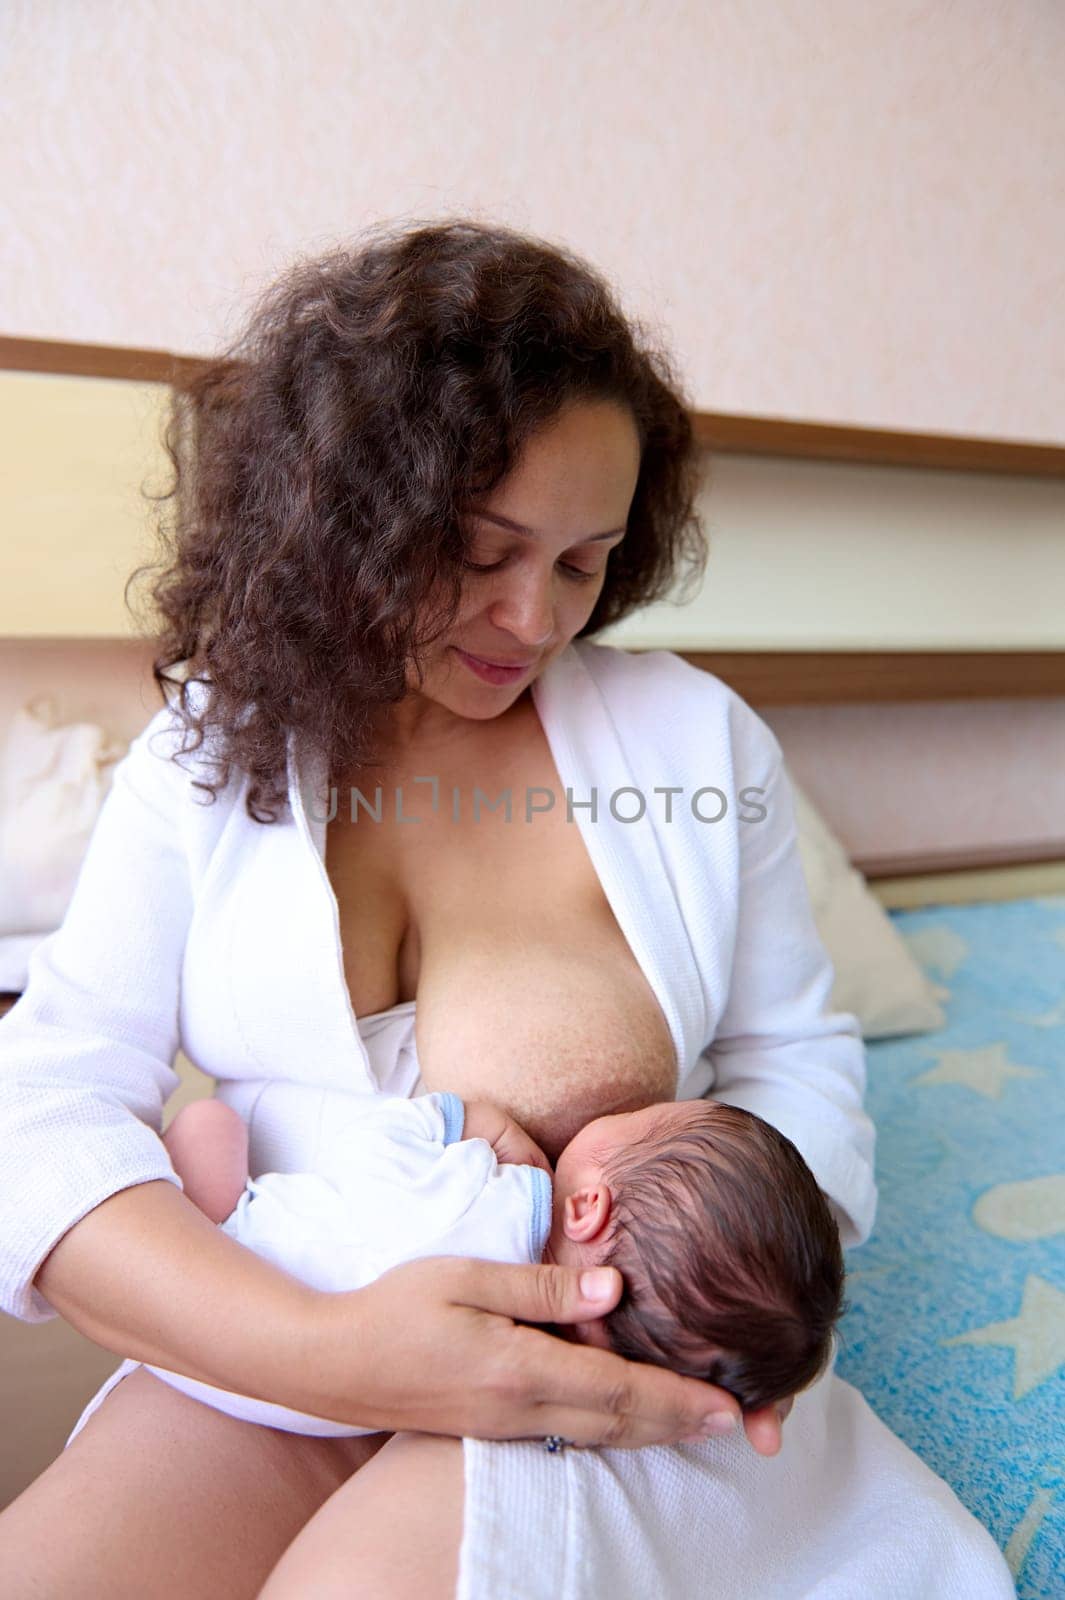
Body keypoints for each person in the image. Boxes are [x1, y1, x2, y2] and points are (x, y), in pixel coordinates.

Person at [0, 219, 1014, 1599]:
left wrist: (704, 1292)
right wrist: (321, 1352)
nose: (534, 620)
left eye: (585, 562)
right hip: (287, 1315)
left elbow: (796, 1062)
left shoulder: (692, 746)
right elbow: (46, 1101)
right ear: (354, 514)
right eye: (482, 550)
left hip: (603, 1355)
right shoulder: (208, 755)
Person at [77, 1088, 843, 1438]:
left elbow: (371, 1148)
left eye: (633, 1118)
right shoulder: (537, 1357)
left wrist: (463, 1120)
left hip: (206, 1294)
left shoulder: (483, 1188)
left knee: (210, 1122)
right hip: (309, 1412)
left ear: (586, 1207)